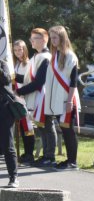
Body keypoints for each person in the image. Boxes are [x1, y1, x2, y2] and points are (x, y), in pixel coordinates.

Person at [43, 25, 80, 170]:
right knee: (65, 131)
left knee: (68, 131)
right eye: (51, 38)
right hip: (58, 101)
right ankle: (69, 160)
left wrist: (70, 100)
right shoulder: (55, 55)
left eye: (54, 37)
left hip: (67, 100)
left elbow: (73, 81)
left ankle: (72, 162)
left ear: (62, 38)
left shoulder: (70, 56)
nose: (52, 40)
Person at [15, 28, 51, 166]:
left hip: (40, 97)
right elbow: (26, 79)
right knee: (39, 128)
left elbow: (37, 82)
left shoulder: (42, 58)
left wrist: (20, 91)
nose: (31, 42)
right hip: (32, 97)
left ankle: (48, 156)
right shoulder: (36, 57)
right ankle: (43, 156)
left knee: (45, 127)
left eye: (33, 39)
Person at [12, 40, 36, 164]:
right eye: (15, 50)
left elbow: (29, 82)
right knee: (22, 127)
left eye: (20, 49)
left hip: (27, 99)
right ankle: (26, 153)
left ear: (24, 49)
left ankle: (30, 154)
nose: (18, 52)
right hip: (18, 99)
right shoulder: (16, 64)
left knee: (28, 127)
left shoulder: (29, 63)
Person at [0, 59, 19, 187]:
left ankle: (13, 177)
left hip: (4, 109)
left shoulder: (3, 64)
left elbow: (7, 80)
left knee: (8, 144)